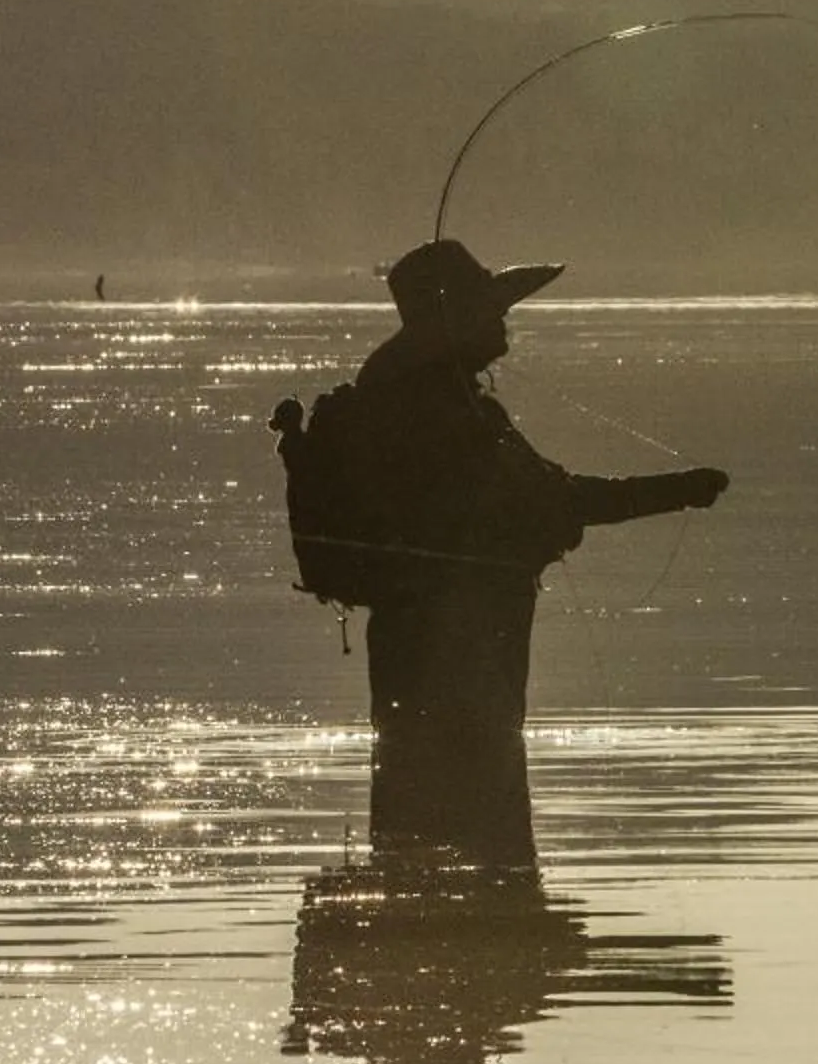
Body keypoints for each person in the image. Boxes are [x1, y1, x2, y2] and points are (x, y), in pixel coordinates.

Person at [296, 238, 726, 864]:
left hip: (406, 653)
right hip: (467, 665)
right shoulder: (455, 420)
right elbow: (553, 502)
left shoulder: (409, 411)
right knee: (487, 843)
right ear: (459, 323)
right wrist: (672, 493)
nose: (504, 321)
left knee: (409, 837)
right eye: (491, 310)